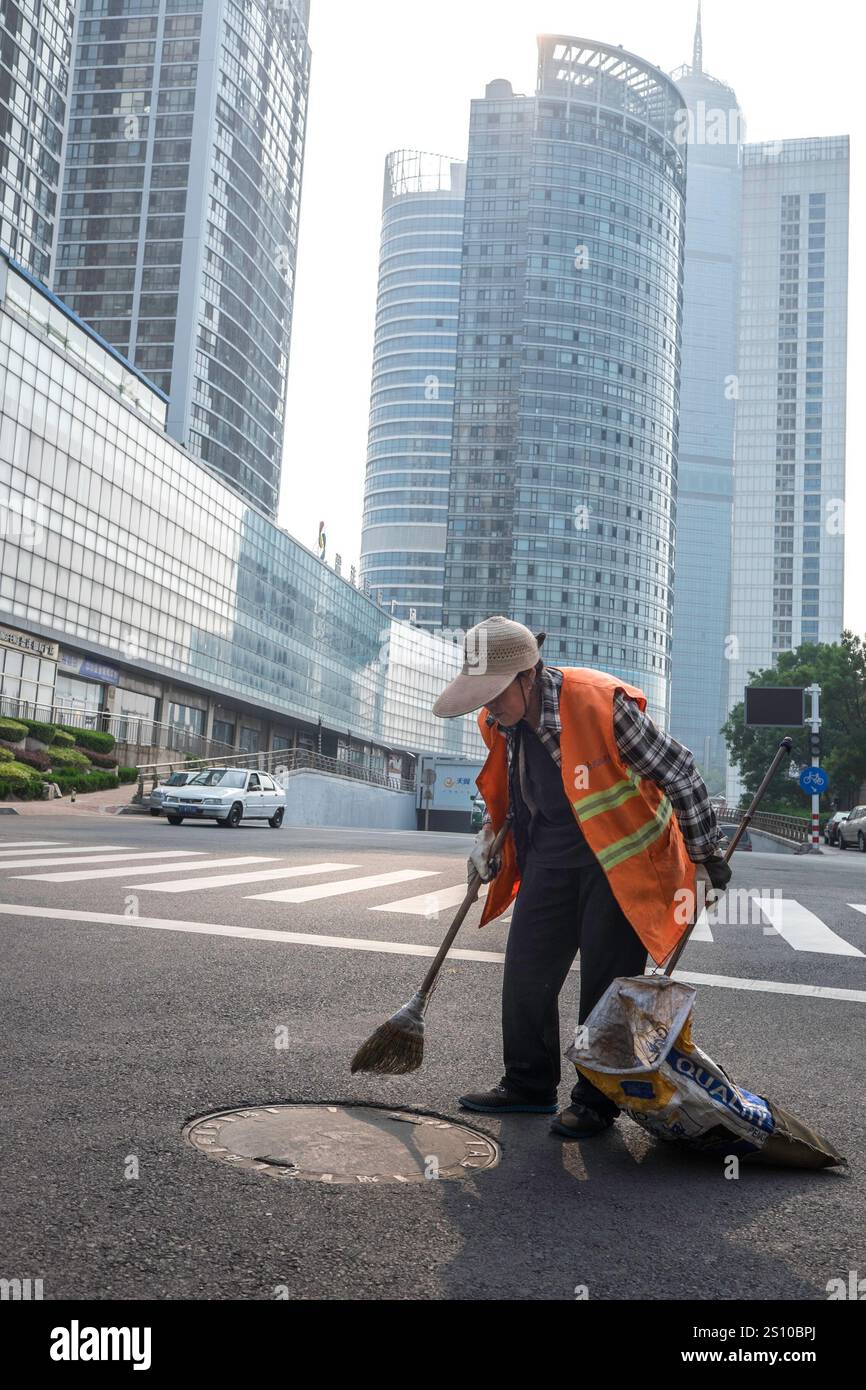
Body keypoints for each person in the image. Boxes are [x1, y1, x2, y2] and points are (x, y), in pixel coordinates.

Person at [432, 616, 732, 1140]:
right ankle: (528, 1085)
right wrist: (487, 836)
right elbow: (510, 794)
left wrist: (707, 859)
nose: (490, 707)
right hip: (549, 859)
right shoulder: (500, 724)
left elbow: (681, 773)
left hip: (619, 862)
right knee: (526, 971)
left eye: (497, 694)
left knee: (605, 986)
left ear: (529, 676)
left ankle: (596, 1102)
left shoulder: (600, 704)